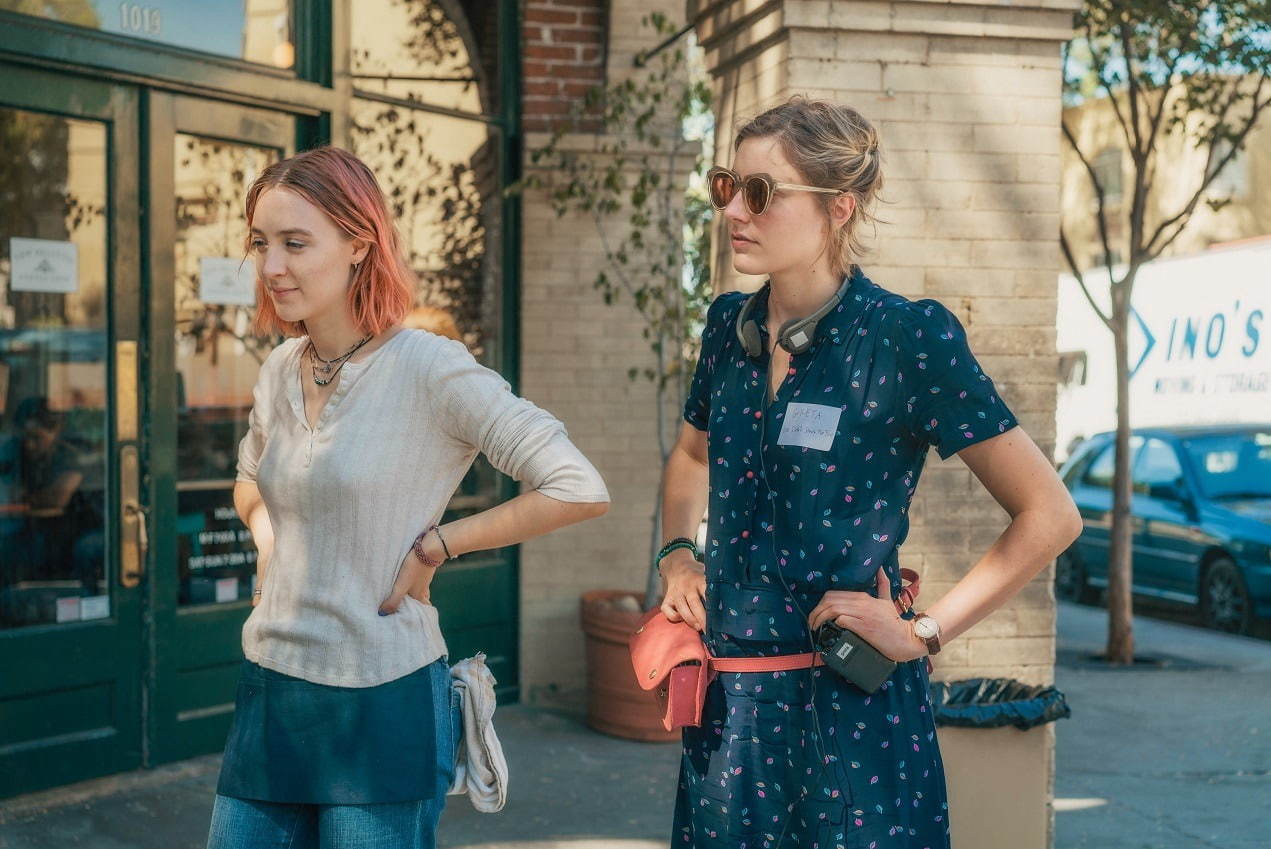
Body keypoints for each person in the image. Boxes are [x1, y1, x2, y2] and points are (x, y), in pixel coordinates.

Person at [654, 97, 1082, 848]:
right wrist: (676, 553)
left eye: (761, 192)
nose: (733, 211)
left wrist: (923, 630)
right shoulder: (727, 325)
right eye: (728, 186)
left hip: (848, 718)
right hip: (728, 717)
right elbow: (690, 455)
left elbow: (1050, 515)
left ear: (838, 207)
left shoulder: (906, 336)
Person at [205, 146, 610, 848]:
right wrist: (271, 540)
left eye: (295, 243)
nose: (271, 268)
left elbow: (577, 486)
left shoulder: (427, 366)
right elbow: (250, 476)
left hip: (381, 690)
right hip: (271, 683)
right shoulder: (278, 368)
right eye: (261, 243)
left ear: (359, 243)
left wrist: (440, 544)